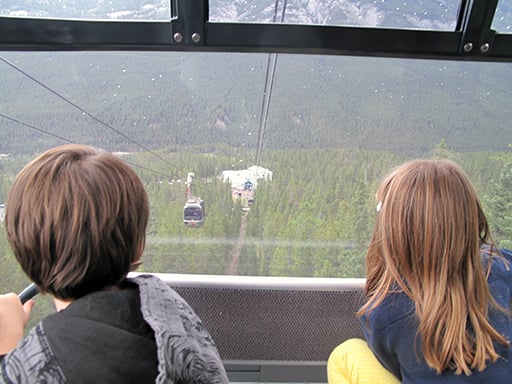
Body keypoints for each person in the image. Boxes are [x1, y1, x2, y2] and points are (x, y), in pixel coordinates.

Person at [0, 144, 228, 384]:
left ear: (23, 252)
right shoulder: (171, 311)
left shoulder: (33, 368)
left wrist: (7, 352)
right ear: (139, 244)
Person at [327, 159, 512, 384]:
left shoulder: (385, 312)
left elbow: (391, 367)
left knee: (346, 354)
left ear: (395, 231)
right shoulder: (503, 268)